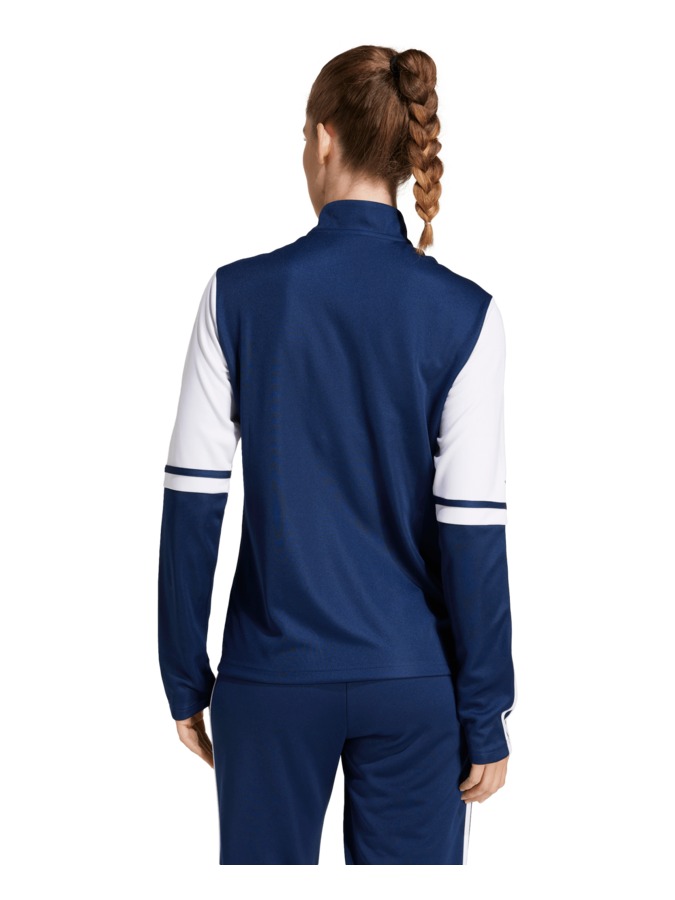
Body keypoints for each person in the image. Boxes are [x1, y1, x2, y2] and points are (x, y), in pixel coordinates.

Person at [157, 44, 516, 866]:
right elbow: (472, 533)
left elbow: (192, 506)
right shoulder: (467, 315)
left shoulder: (235, 296)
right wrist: (485, 710)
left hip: (269, 681)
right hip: (414, 682)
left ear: (322, 138)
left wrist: (183, 676)